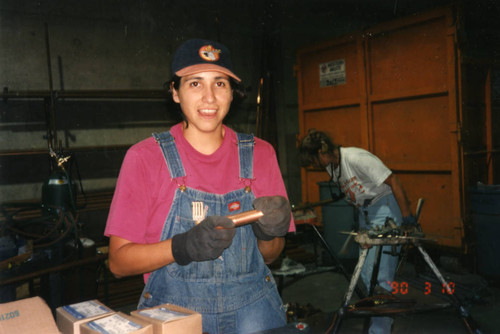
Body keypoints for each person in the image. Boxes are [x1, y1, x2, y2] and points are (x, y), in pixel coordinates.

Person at [104, 38, 294, 334]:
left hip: (254, 311)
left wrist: (270, 232)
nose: (209, 98)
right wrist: (182, 246)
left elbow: (271, 255)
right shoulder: (144, 158)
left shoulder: (261, 153)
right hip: (175, 314)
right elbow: (117, 262)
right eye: (194, 84)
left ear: (232, 93)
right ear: (175, 92)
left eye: (220, 84)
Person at [298, 129, 416, 334]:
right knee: (368, 275)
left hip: (384, 210)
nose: (315, 166)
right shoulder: (332, 167)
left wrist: (407, 219)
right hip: (367, 215)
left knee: (381, 280)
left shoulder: (356, 158)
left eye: (314, 161)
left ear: (322, 152)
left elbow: (393, 181)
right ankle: (380, 321)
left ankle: (379, 330)